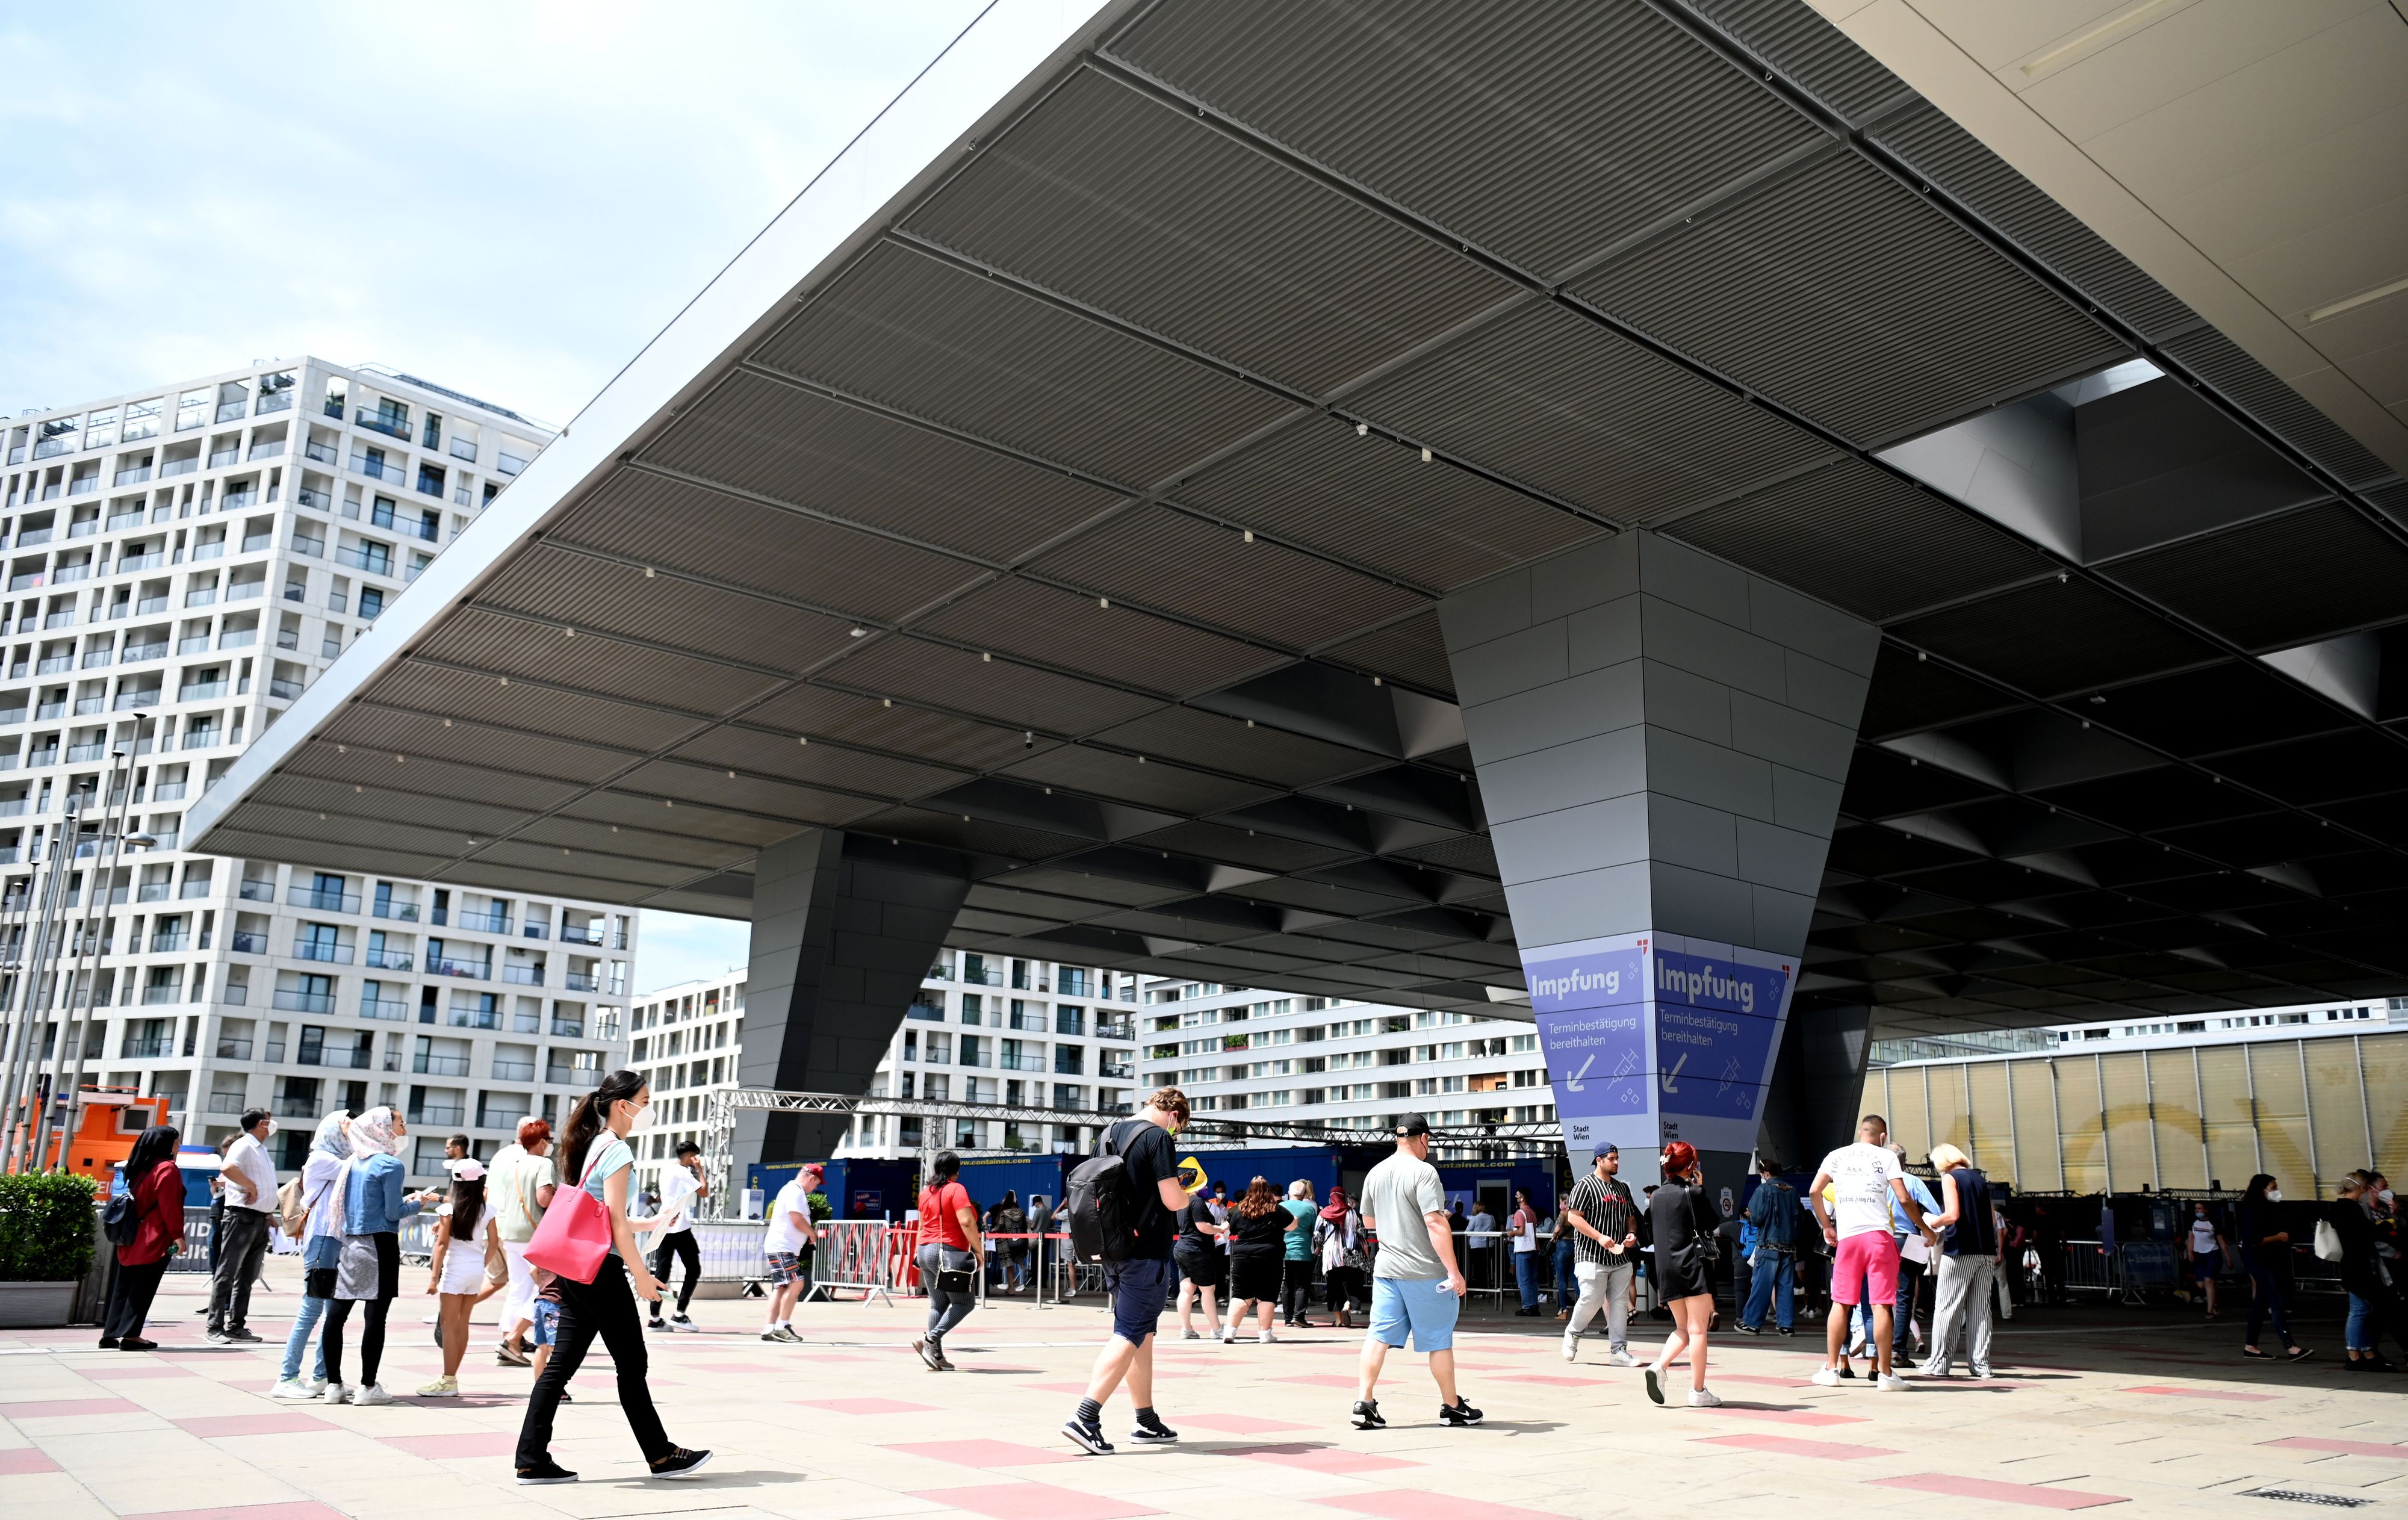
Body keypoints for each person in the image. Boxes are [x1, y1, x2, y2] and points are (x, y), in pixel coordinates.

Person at [515, 1070, 710, 1485]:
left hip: (576, 1270)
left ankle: (531, 1458)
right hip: (600, 1271)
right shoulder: (617, 1150)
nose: (649, 1107)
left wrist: (652, 1221)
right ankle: (660, 1454)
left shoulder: (594, 1146)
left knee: (560, 1365)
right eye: (645, 1098)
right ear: (624, 1105)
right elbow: (616, 1221)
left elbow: (603, 1216)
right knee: (632, 1362)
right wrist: (641, 1273)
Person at [1061, 1086, 1191, 1456]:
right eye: (1179, 1126)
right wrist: (1190, 1194)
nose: (1176, 1132)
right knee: (1129, 1332)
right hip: (1146, 1251)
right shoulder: (1158, 1138)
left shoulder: (1108, 1134)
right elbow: (1171, 1199)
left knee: (1142, 1335)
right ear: (1174, 1115)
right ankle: (1086, 1418)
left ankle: (1146, 1419)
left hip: (1114, 1248)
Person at [1353, 1113, 1481, 1430]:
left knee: (1378, 1335)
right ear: (1424, 1139)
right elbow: (1435, 1222)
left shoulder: (1376, 1172)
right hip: (1426, 1272)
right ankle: (1452, 1407)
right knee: (1438, 1340)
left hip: (1387, 1270)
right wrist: (1454, 1272)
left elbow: (1368, 1222)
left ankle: (1364, 1403)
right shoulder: (1425, 1172)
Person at [1806, 1114, 1925, 1390]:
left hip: (1848, 1240)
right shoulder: (1887, 1157)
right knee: (1881, 1304)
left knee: (1841, 1304)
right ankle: (1885, 1375)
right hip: (1879, 1239)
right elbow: (1904, 1198)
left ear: (1862, 1132)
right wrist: (1925, 1230)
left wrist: (1827, 1226)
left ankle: (1831, 1369)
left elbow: (1815, 1191)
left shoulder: (1836, 1156)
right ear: (1883, 1137)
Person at [317, 1106, 417, 1405]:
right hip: (380, 1242)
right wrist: (416, 1203)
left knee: (336, 1315)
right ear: (382, 1128)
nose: (404, 1129)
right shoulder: (390, 1164)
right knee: (375, 1318)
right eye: (400, 1123)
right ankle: (368, 1386)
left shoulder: (353, 1163)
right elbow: (393, 1212)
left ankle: (334, 1384)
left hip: (350, 1241)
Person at [270, 1111, 351, 1398]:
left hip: (333, 1238)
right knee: (311, 1309)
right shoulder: (322, 1159)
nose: (350, 1133)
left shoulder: (335, 1158)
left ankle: (322, 1374)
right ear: (332, 1131)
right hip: (322, 1240)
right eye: (346, 1127)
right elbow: (355, 1169)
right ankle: (287, 1377)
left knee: (331, 1313)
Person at [1640, 1143, 1720, 1407]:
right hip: (1692, 1266)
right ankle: (1698, 1391)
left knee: (1683, 1329)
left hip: (1666, 1268)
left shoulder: (1657, 1196)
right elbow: (1712, 1221)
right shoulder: (1694, 1193)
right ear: (1691, 1166)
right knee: (1698, 1331)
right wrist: (1701, 1188)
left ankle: (1660, 1366)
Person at [421, 1158, 502, 1396]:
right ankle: (451, 1378)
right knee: (462, 1323)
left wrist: (433, 1279)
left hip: (455, 1271)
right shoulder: (487, 1209)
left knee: (448, 1325)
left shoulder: (448, 1209)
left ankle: (448, 1380)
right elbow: (494, 1243)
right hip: (475, 1271)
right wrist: (482, 1263)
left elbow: (442, 1245)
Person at [99, 1124, 185, 1351]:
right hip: (153, 1238)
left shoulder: (138, 1168)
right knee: (143, 1288)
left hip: (129, 1237)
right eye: (177, 1142)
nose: (179, 1146)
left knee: (123, 1287)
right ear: (166, 1145)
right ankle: (131, 1336)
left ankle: (110, 1335)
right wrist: (178, 1237)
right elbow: (170, 1207)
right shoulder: (167, 1169)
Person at [1916, 1143, 1997, 1380]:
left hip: (1960, 1251)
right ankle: (1982, 1365)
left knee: (1947, 1307)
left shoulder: (1950, 1179)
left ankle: (1939, 1363)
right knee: (1980, 1310)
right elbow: (1992, 1218)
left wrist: (1932, 1223)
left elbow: (1952, 1215)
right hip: (1985, 1252)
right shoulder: (1979, 1179)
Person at [1560, 1141, 1639, 1366]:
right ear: (1599, 1160)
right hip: (1591, 1254)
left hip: (1620, 1256)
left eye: (1617, 1158)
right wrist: (1600, 1237)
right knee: (1592, 1299)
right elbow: (1574, 1218)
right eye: (1611, 1158)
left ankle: (1618, 1350)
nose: (1616, 1162)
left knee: (1620, 1303)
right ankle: (1573, 1333)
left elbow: (1630, 1217)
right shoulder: (1585, 1185)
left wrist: (1631, 1234)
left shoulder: (1622, 1188)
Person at [205, 1106, 278, 1344]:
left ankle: (237, 1326)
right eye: (269, 1121)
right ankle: (214, 1327)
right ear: (261, 1124)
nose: (272, 1124)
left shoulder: (260, 1149)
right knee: (227, 1272)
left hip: (258, 1218)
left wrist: (268, 1212)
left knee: (247, 1276)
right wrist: (250, 1186)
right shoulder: (244, 1144)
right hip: (242, 1217)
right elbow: (227, 1168)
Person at [489, 1118, 557, 1366]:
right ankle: (513, 1339)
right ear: (541, 1142)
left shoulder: (514, 1165)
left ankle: (509, 1341)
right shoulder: (544, 1163)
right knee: (543, 1290)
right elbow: (543, 1197)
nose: (550, 1144)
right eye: (549, 1140)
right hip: (534, 1235)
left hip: (511, 1232)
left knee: (518, 1288)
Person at [911, 1152, 981, 1371]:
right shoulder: (956, 1189)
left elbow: (922, 1226)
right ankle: (930, 1340)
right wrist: (979, 1251)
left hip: (925, 1251)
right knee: (965, 1303)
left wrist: (916, 1253)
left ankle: (937, 1357)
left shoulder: (925, 1192)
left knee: (938, 1304)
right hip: (947, 1252)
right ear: (956, 1170)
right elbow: (967, 1221)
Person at [2236, 1173, 2311, 1362]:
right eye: (2273, 1187)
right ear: (2262, 1189)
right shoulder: (2252, 1209)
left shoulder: (2265, 1208)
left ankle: (2250, 1346)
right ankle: (2291, 1347)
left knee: (2260, 1304)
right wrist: (2278, 1237)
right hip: (2258, 1260)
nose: (2276, 1191)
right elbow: (2252, 1240)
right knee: (2275, 1300)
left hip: (2267, 1259)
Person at [1882, 1143, 1940, 1362]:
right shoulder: (1913, 1182)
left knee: (1880, 1296)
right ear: (1904, 1162)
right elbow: (1936, 1212)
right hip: (1909, 1241)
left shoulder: (1877, 1181)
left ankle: (1876, 1349)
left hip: (1881, 1240)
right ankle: (1898, 1351)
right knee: (1905, 1298)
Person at [2330, 1176, 2394, 1373]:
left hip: (2351, 1265)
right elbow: (2369, 1233)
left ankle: (2366, 1352)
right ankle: (2356, 1355)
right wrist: (2388, 1223)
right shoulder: (2352, 1208)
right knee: (2360, 1311)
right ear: (2360, 1188)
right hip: (2358, 1266)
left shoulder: (2338, 1208)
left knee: (2363, 1309)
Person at [645, 1141, 709, 1333]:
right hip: (679, 1226)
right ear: (690, 1155)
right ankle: (680, 1314)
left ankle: (654, 1318)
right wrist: (699, 1169)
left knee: (662, 1272)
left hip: (664, 1224)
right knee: (694, 1269)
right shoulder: (684, 1172)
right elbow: (704, 1192)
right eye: (695, 1156)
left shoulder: (666, 1169)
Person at [1221, 1176, 1289, 1344]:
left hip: (1243, 1257)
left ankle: (1230, 1332)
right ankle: (1265, 1335)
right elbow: (1293, 1224)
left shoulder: (1238, 1209)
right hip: (1270, 1257)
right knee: (1267, 1296)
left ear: (1249, 1190)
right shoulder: (1276, 1209)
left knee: (1240, 1295)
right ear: (1268, 1191)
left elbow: (1229, 1229)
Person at [763, 1163, 822, 1344]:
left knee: (781, 1287)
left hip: (781, 1246)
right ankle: (782, 1327)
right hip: (783, 1247)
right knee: (797, 1283)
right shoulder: (795, 1192)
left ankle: (770, 1328)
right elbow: (796, 1219)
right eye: (817, 1184)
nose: (815, 1188)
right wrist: (812, 1233)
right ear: (811, 1178)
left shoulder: (791, 1190)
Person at [1739, 1158, 1799, 1336]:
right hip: (1788, 1246)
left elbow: (1756, 1218)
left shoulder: (1763, 1189)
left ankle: (1752, 1323)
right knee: (1786, 1286)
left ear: (1765, 1174)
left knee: (1762, 1285)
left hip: (1768, 1244)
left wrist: (1750, 1215)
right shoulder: (1793, 1191)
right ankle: (1786, 1325)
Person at [1174, 1185, 1226, 1339]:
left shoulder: (1182, 1202)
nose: (1207, 1188)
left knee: (1186, 1290)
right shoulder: (1196, 1202)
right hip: (1198, 1251)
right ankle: (1217, 1329)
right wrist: (1221, 1228)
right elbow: (1203, 1227)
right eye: (1204, 1185)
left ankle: (1186, 1329)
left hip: (1182, 1249)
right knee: (1208, 1291)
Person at [1316, 1185, 1369, 1329]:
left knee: (1334, 1286)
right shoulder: (1352, 1213)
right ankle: (1348, 1305)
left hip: (1332, 1257)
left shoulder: (1324, 1213)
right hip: (1353, 1254)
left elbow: (1318, 1235)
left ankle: (1339, 1320)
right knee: (1354, 1284)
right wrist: (1368, 1256)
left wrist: (1320, 1247)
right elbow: (1362, 1235)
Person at [1280, 1180, 1320, 1327]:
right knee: (1303, 1285)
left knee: (1287, 1284)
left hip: (1284, 1252)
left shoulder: (1280, 1207)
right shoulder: (1309, 1209)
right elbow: (1314, 1230)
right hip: (1303, 1252)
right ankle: (1299, 1316)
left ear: (1289, 1194)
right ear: (1304, 1195)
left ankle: (1288, 1318)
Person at [2184, 1199, 2229, 1321]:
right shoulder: (2193, 1223)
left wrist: (2228, 1258)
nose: (2197, 1211)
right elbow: (2191, 1238)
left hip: (2212, 1253)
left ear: (2206, 1210)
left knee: (2209, 1280)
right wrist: (2190, 1252)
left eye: (2200, 1208)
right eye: (2196, 1209)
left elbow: (2221, 1242)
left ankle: (2210, 1311)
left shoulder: (2214, 1223)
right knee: (2201, 1284)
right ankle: (2215, 1300)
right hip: (2199, 1255)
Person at [1508, 1189, 1543, 1317]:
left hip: (1523, 1250)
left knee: (1523, 1279)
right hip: (1535, 1249)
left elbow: (1521, 1231)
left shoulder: (1519, 1213)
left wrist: (1511, 1233)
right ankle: (1534, 1305)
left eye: (1517, 1195)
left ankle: (1527, 1306)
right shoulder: (1532, 1212)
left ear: (1522, 1198)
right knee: (1533, 1279)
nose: (1516, 1197)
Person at [1550, 1191, 1578, 1319]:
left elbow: (1557, 1229)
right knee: (1575, 1278)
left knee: (1562, 1279)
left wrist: (1554, 1238)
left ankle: (1564, 1310)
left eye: (1561, 1201)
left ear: (1565, 1202)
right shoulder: (1576, 1213)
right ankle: (1582, 1308)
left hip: (1562, 1246)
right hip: (1574, 1246)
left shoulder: (1563, 1213)